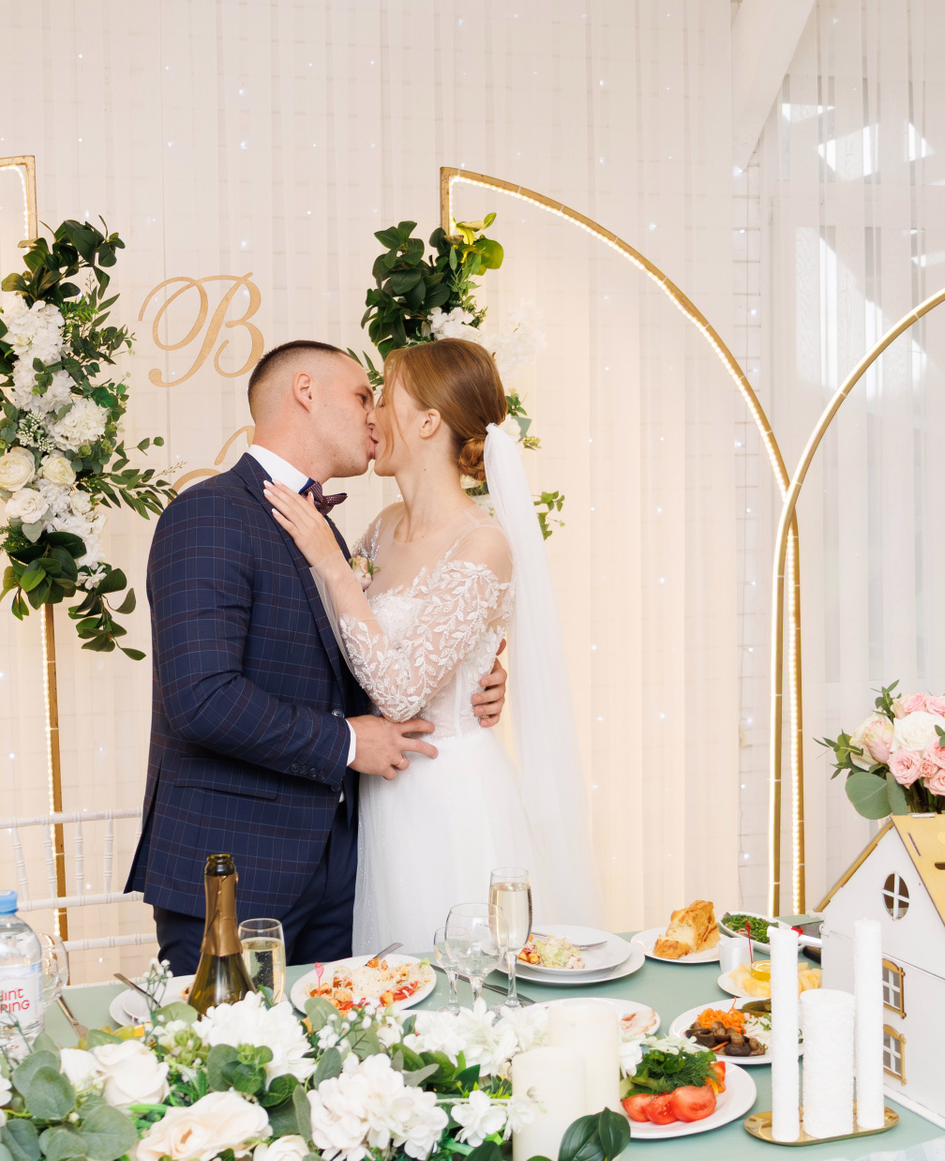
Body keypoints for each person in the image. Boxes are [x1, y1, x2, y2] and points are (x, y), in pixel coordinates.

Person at [125, 339, 509, 971]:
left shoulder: (326, 528)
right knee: (226, 1036)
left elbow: (361, 656)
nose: (372, 415)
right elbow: (202, 698)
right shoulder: (208, 513)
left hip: (346, 866)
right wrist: (349, 742)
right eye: (362, 396)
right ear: (306, 392)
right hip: (237, 865)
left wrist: (472, 670)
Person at [265, 338, 604, 953]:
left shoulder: (483, 543)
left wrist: (334, 567)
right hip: (380, 793)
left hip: (448, 797)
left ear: (427, 422)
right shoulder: (382, 528)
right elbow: (340, 643)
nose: (370, 415)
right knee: (393, 982)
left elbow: (399, 693)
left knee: (463, 971)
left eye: (383, 398)